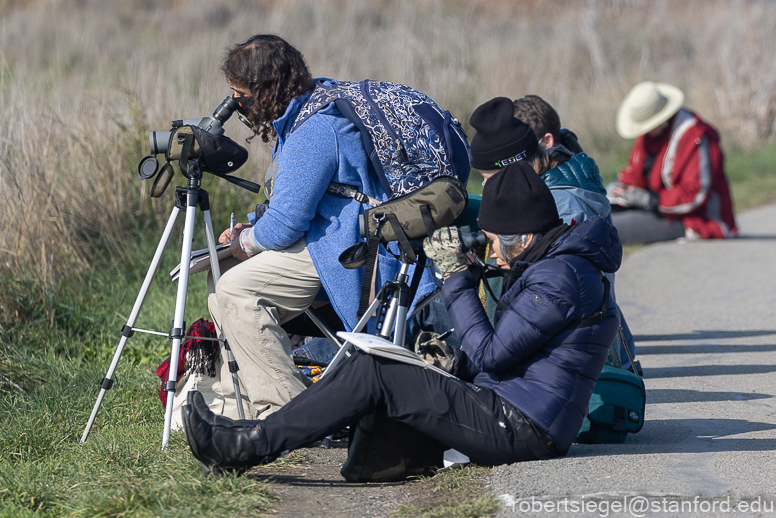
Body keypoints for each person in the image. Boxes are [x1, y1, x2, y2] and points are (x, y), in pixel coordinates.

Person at [181, 162, 622, 473]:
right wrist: (448, 359)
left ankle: (246, 446)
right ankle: (252, 432)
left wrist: (454, 276)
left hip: (525, 428)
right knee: (373, 360)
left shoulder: (562, 277)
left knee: (376, 371)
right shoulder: (555, 265)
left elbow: (490, 353)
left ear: (522, 237)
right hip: (513, 409)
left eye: (493, 243)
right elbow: (507, 351)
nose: (492, 254)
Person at [206, 34, 432, 419]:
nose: (235, 105)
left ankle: (289, 414)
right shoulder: (313, 105)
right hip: (337, 235)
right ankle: (240, 398)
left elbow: (285, 228)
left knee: (235, 290)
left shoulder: (315, 130)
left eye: (239, 94)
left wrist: (247, 238)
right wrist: (255, 227)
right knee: (220, 283)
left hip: (351, 249)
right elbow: (312, 201)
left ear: (264, 91)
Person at [470, 96, 639, 372]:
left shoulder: (562, 207)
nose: (486, 186)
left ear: (514, 167)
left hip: (581, 362)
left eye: (489, 178)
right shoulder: (541, 193)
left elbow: (554, 296)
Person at [608, 81, 738, 244]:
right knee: (595, 216)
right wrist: (621, 190)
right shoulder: (649, 137)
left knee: (606, 228)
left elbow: (694, 195)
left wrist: (650, 200)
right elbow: (635, 173)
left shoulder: (695, 136)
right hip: (656, 210)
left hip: (692, 218)